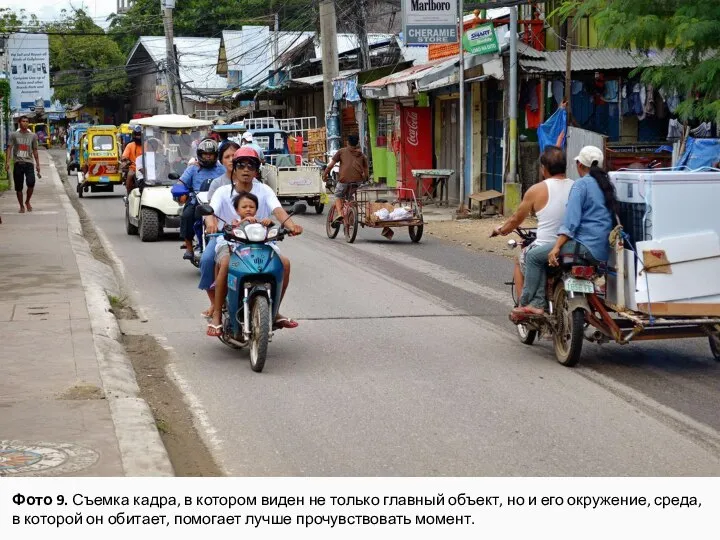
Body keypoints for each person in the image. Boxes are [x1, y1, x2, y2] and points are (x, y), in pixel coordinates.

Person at [206, 146, 302, 336]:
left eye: (251, 166)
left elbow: (278, 211)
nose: (246, 170)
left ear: (256, 169)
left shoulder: (264, 189)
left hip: (261, 242)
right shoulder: (223, 191)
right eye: (241, 165)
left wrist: (291, 225)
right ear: (234, 168)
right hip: (230, 242)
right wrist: (210, 223)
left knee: (284, 263)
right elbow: (211, 212)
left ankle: (273, 312)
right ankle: (217, 314)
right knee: (225, 262)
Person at [514, 145, 615, 317]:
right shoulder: (607, 185)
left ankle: (534, 304)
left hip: (584, 247)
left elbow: (571, 224)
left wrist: (556, 247)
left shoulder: (581, 185)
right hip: (604, 252)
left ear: (579, 165)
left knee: (533, 257)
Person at [490, 146, 574, 307]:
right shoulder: (577, 186)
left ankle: (526, 305)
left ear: (544, 169)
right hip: (571, 245)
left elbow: (515, 219)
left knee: (521, 258)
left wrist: (500, 230)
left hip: (545, 245)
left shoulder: (536, 190)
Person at [198, 141, 240, 318]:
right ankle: (215, 304)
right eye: (227, 157)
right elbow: (210, 209)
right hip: (223, 234)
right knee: (207, 260)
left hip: (250, 236)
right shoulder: (217, 184)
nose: (231, 160)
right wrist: (211, 223)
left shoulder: (255, 183)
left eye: (235, 156)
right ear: (221, 161)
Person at [179, 138, 226, 260]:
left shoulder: (222, 169)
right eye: (205, 154)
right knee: (187, 215)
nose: (208, 157)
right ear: (200, 155)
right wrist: (178, 188)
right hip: (196, 201)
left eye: (211, 154)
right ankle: (189, 248)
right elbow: (181, 182)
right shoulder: (192, 168)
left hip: (218, 202)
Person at [323, 134, 369, 225]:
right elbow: (366, 170)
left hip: (344, 180)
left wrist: (324, 175)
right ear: (357, 143)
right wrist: (365, 179)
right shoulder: (361, 155)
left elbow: (330, 166)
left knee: (338, 195)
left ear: (347, 142)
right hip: (357, 181)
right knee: (350, 197)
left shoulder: (341, 151)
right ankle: (352, 216)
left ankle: (340, 214)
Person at [5, 115, 40, 213]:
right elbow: (9, 148)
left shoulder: (33, 136)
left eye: (27, 121)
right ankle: (21, 206)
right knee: (19, 187)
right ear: (19, 123)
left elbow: (35, 150)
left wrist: (38, 164)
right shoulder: (13, 135)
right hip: (18, 163)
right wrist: (7, 162)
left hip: (29, 163)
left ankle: (27, 201)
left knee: (31, 183)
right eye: (23, 121)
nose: (25, 123)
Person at [121, 125, 143, 195]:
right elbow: (124, 156)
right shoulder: (130, 145)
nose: (138, 136)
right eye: (137, 135)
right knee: (129, 178)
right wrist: (125, 160)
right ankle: (128, 195)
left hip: (145, 168)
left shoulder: (146, 144)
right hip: (133, 167)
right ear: (134, 135)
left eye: (139, 135)